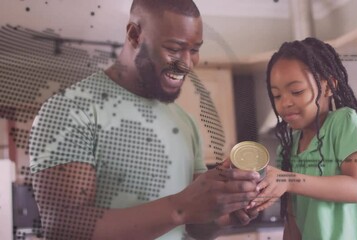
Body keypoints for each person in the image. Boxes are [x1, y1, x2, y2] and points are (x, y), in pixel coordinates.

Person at [28, 0, 260, 239]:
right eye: (173, 48)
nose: (187, 63)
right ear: (135, 34)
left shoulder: (184, 122)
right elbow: (63, 226)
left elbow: (191, 223)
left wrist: (223, 210)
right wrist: (180, 207)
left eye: (194, 50)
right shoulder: (70, 109)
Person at [249, 38, 357, 240]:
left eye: (296, 91)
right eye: (276, 95)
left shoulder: (345, 122)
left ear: (329, 86)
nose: (285, 103)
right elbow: (293, 221)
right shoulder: (287, 149)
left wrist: (289, 180)